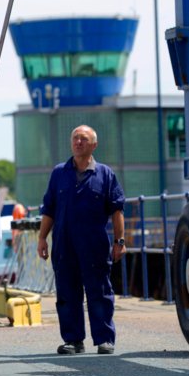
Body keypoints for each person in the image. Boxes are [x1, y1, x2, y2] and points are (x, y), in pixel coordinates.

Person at [37, 124, 126, 355]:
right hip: (64, 245)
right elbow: (49, 209)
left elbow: (117, 210)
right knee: (67, 294)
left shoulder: (105, 174)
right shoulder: (59, 173)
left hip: (94, 244)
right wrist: (42, 238)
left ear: (94, 145)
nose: (78, 142)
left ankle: (105, 339)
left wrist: (120, 241)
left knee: (99, 293)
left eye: (84, 139)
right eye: (75, 138)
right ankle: (73, 340)